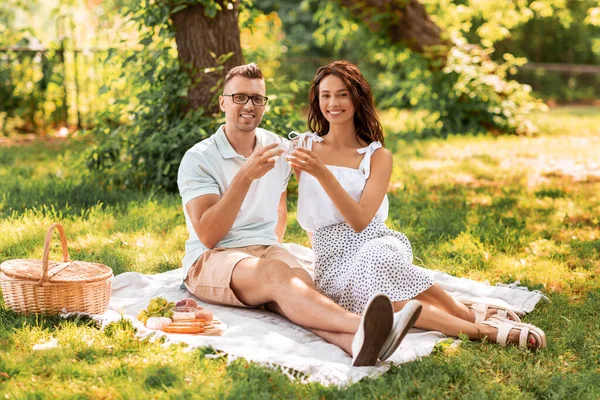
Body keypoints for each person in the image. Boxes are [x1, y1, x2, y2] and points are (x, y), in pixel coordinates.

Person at [286, 60, 546, 350]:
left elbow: (360, 221)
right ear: (317, 100)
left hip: (374, 240)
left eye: (342, 94)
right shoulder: (304, 148)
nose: (333, 102)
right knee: (382, 303)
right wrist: (324, 256)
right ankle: (473, 324)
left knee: (377, 259)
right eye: (326, 95)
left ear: (357, 98)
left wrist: (322, 172)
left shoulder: (377, 156)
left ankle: (469, 320)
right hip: (331, 257)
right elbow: (307, 210)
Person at [177, 63, 423, 366]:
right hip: (212, 258)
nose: (249, 106)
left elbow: (283, 207)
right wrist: (244, 177)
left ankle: (357, 345)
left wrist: (274, 247)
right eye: (239, 97)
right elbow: (208, 235)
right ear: (223, 102)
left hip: (264, 253)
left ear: (264, 104)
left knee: (301, 291)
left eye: (257, 98)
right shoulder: (199, 159)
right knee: (278, 277)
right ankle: (365, 326)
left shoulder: (277, 148)